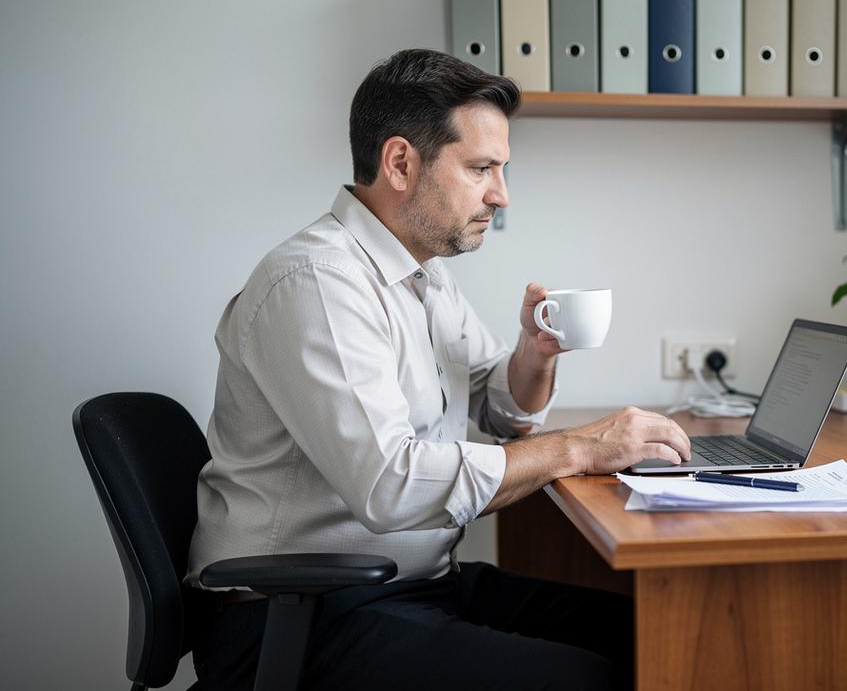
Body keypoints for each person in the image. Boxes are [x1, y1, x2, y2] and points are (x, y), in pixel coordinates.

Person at [185, 48, 692, 690]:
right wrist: (580, 448)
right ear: (401, 162)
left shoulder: (423, 273)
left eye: (501, 169)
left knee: (658, 632)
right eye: (482, 168)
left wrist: (533, 356)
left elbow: (501, 409)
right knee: (586, 678)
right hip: (297, 620)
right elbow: (391, 485)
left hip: (412, 588)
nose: (501, 195)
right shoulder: (317, 281)